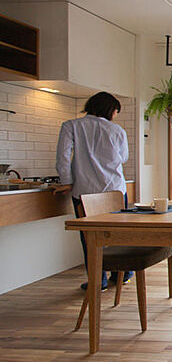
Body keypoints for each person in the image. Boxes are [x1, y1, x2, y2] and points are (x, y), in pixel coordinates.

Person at [54, 92, 132, 291]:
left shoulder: (71, 125)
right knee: (117, 234)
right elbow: (123, 157)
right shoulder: (117, 130)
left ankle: (98, 281)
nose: (115, 115)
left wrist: (67, 182)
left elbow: (63, 157)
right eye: (116, 111)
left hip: (85, 191)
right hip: (114, 189)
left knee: (90, 237)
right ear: (110, 110)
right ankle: (122, 274)